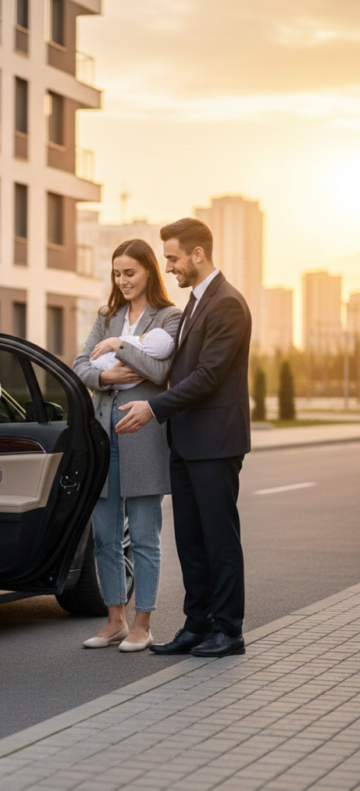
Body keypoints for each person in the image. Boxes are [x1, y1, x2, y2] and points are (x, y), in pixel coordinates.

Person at [115, 218, 252, 658]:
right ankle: (198, 625)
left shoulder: (227, 303)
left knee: (219, 539)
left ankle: (228, 630)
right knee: (191, 540)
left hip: (215, 442)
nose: (168, 266)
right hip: (187, 440)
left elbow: (209, 376)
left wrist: (153, 407)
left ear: (197, 254)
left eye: (172, 258)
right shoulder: (195, 302)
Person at [73, 239, 182, 652]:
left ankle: (143, 624)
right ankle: (115, 620)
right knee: (103, 536)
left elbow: (160, 368)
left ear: (149, 272)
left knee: (143, 536)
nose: (122, 280)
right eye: (117, 273)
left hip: (144, 438)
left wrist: (121, 347)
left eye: (130, 272)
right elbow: (81, 364)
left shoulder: (169, 317)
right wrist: (106, 379)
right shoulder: (108, 315)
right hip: (106, 437)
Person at [90, 329, 175, 390]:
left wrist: (117, 344)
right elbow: (80, 366)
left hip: (138, 408)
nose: (145, 334)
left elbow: (161, 373)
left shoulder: (171, 315)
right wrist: (105, 377)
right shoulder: (105, 314)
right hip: (101, 407)